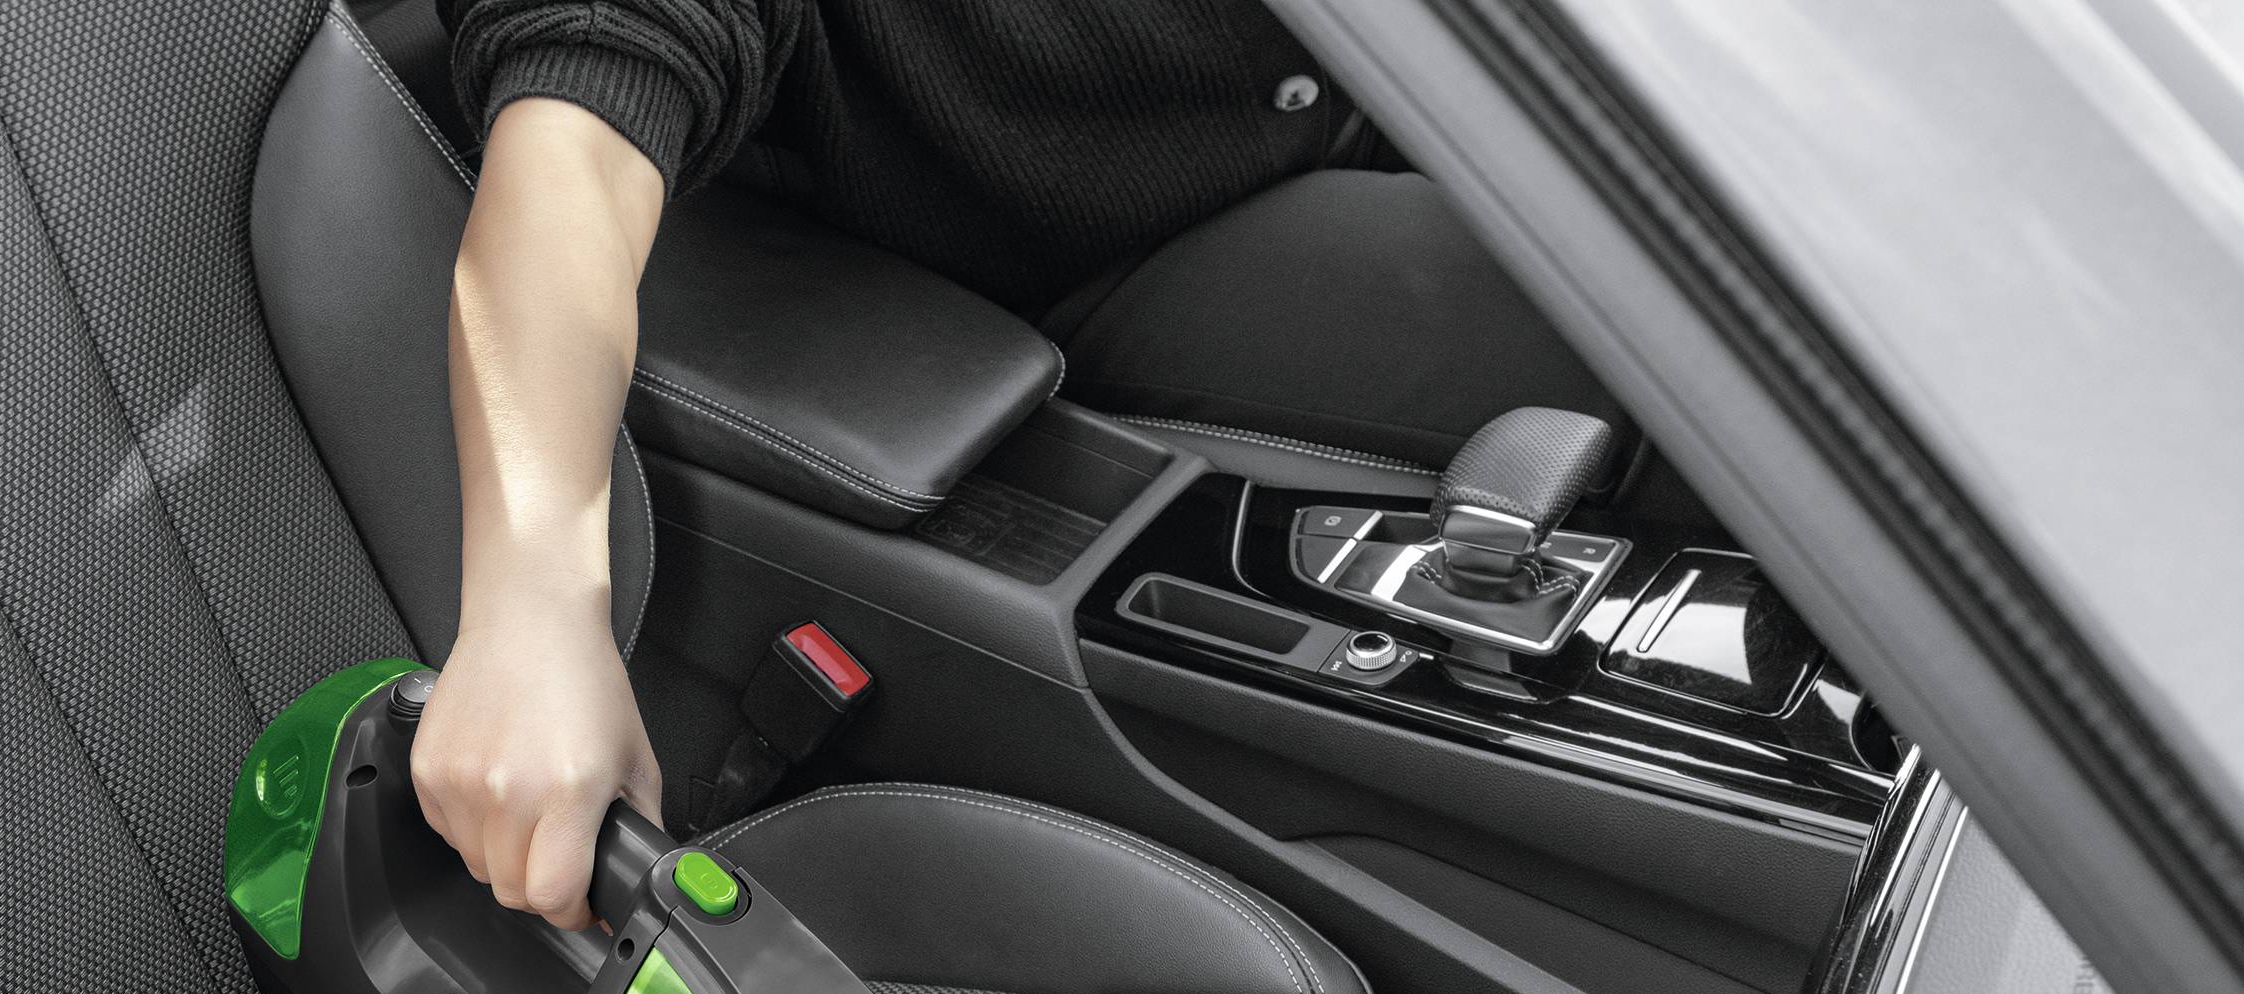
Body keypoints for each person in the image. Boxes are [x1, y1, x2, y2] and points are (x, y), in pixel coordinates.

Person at [410, 0, 1613, 928]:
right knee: (1620, 341)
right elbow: (572, 157)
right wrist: (533, 615)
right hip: (1059, 276)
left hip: (1359, 113)